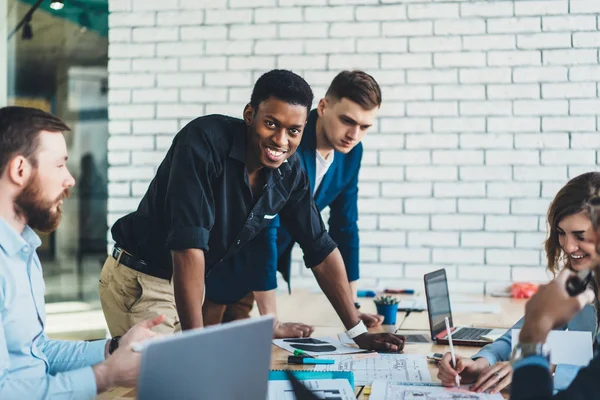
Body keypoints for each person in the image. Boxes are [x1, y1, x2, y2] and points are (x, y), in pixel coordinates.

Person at [99, 69, 405, 352]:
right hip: (143, 280)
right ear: (250, 114)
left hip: (192, 283)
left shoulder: (290, 171)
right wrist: (195, 341)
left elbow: (320, 247)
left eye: (294, 131)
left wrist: (357, 332)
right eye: (271, 124)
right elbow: (188, 245)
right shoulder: (204, 141)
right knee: (164, 384)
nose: (281, 140)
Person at [203, 70, 385, 334]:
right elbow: (265, 227)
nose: (354, 134)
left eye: (365, 126)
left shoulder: (351, 154)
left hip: (260, 274)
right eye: (347, 120)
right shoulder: (287, 141)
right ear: (322, 107)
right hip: (221, 265)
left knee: (240, 352)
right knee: (199, 348)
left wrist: (352, 306)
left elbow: (345, 227)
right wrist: (272, 320)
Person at [0, 106, 163, 399]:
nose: (70, 179)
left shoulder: (22, 249)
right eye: (60, 165)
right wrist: (107, 375)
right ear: (20, 170)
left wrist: (114, 348)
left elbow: (36, 352)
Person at [437, 172, 600, 394]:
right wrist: (483, 362)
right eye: (561, 233)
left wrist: (529, 369)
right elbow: (525, 332)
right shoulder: (579, 281)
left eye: (580, 236)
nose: (568, 247)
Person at [511, 269, 598, 399]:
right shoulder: (581, 288)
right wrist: (486, 358)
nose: (569, 248)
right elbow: (526, 327)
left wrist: (532, 352)